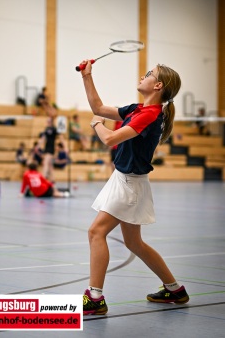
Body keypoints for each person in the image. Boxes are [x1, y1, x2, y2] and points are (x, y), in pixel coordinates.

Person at [79, 61, 189, 315]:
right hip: (125, 180)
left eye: (149, 74)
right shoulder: (139, 108)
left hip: (129, 184)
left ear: (158, 85)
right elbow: (98, 107)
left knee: (96, 232)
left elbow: (109, 138)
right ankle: (174, 290)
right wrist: (87, 76)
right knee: (134, 243)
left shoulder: (149, 115)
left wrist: (96, 124)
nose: (143, 75)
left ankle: (94, 297)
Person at [40, 117, 59, 182]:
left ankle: (43, 178)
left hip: (51, 148)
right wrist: (38, 146)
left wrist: (64, 147)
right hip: (46, 147)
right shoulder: (46, 129)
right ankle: (52, 179)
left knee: (45, 162)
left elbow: (60, 137)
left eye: (49, 121)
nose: (48, 122)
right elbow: (43, 138)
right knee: (50, 164)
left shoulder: (54, 129)